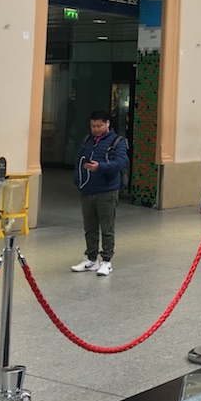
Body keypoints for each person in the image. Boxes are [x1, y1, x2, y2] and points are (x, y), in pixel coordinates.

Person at [71, 109, 128, 276]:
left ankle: (107, 261)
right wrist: (77, 179)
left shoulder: (118, 142)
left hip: (107, 191)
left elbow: (119, 164)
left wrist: (100, 167)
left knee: (107, 227)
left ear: (107, 124)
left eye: (99, 125)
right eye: (93, 126)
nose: (95, 129)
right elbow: (79, 160)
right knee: (90, 227)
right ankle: (91, 259)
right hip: (87, 190)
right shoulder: (87, 140)